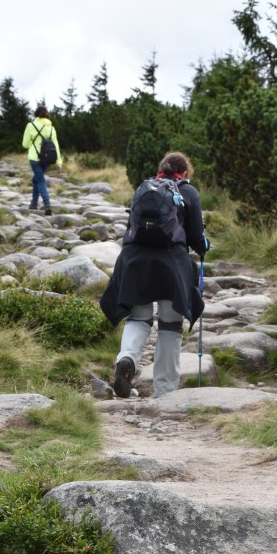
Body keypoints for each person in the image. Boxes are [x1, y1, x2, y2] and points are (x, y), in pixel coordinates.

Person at [99, 151, 208, 398]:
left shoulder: (144, 188)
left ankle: (127, 358)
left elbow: (132, 229)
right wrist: (204, 245)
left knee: (138, 318)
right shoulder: (188, 192)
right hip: (171, 266)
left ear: (161, 170)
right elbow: (196, 239)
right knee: (170, 325)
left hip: (135, 263)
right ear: (185, 172)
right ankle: (165, 391)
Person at [22, 104, 62, 215]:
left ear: (36, 114)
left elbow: (25, 144)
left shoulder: (30, 125)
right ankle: (34, 203)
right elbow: (56, 146)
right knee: (36, 179)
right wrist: (59, 163)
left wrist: (33, 142)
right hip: (47, 159)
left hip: (34, 158)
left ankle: (47, 204)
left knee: (40, 180)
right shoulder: (51, 128)